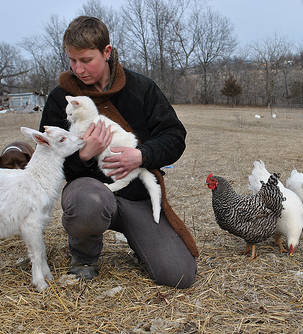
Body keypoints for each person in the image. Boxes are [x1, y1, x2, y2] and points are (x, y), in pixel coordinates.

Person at [39, 16, 198, 289]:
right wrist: (84, 155)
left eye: (87, 60)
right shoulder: (60, 99)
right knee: (87, 201)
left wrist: (142, 155)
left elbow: (175, 136)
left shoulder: (141, 88)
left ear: (107, 52)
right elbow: (46, 159)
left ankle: (142, 241)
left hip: (137, 196)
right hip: (91, 193)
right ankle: (85, 258)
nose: (79, 69)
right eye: (72, 60)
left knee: (179, 275)